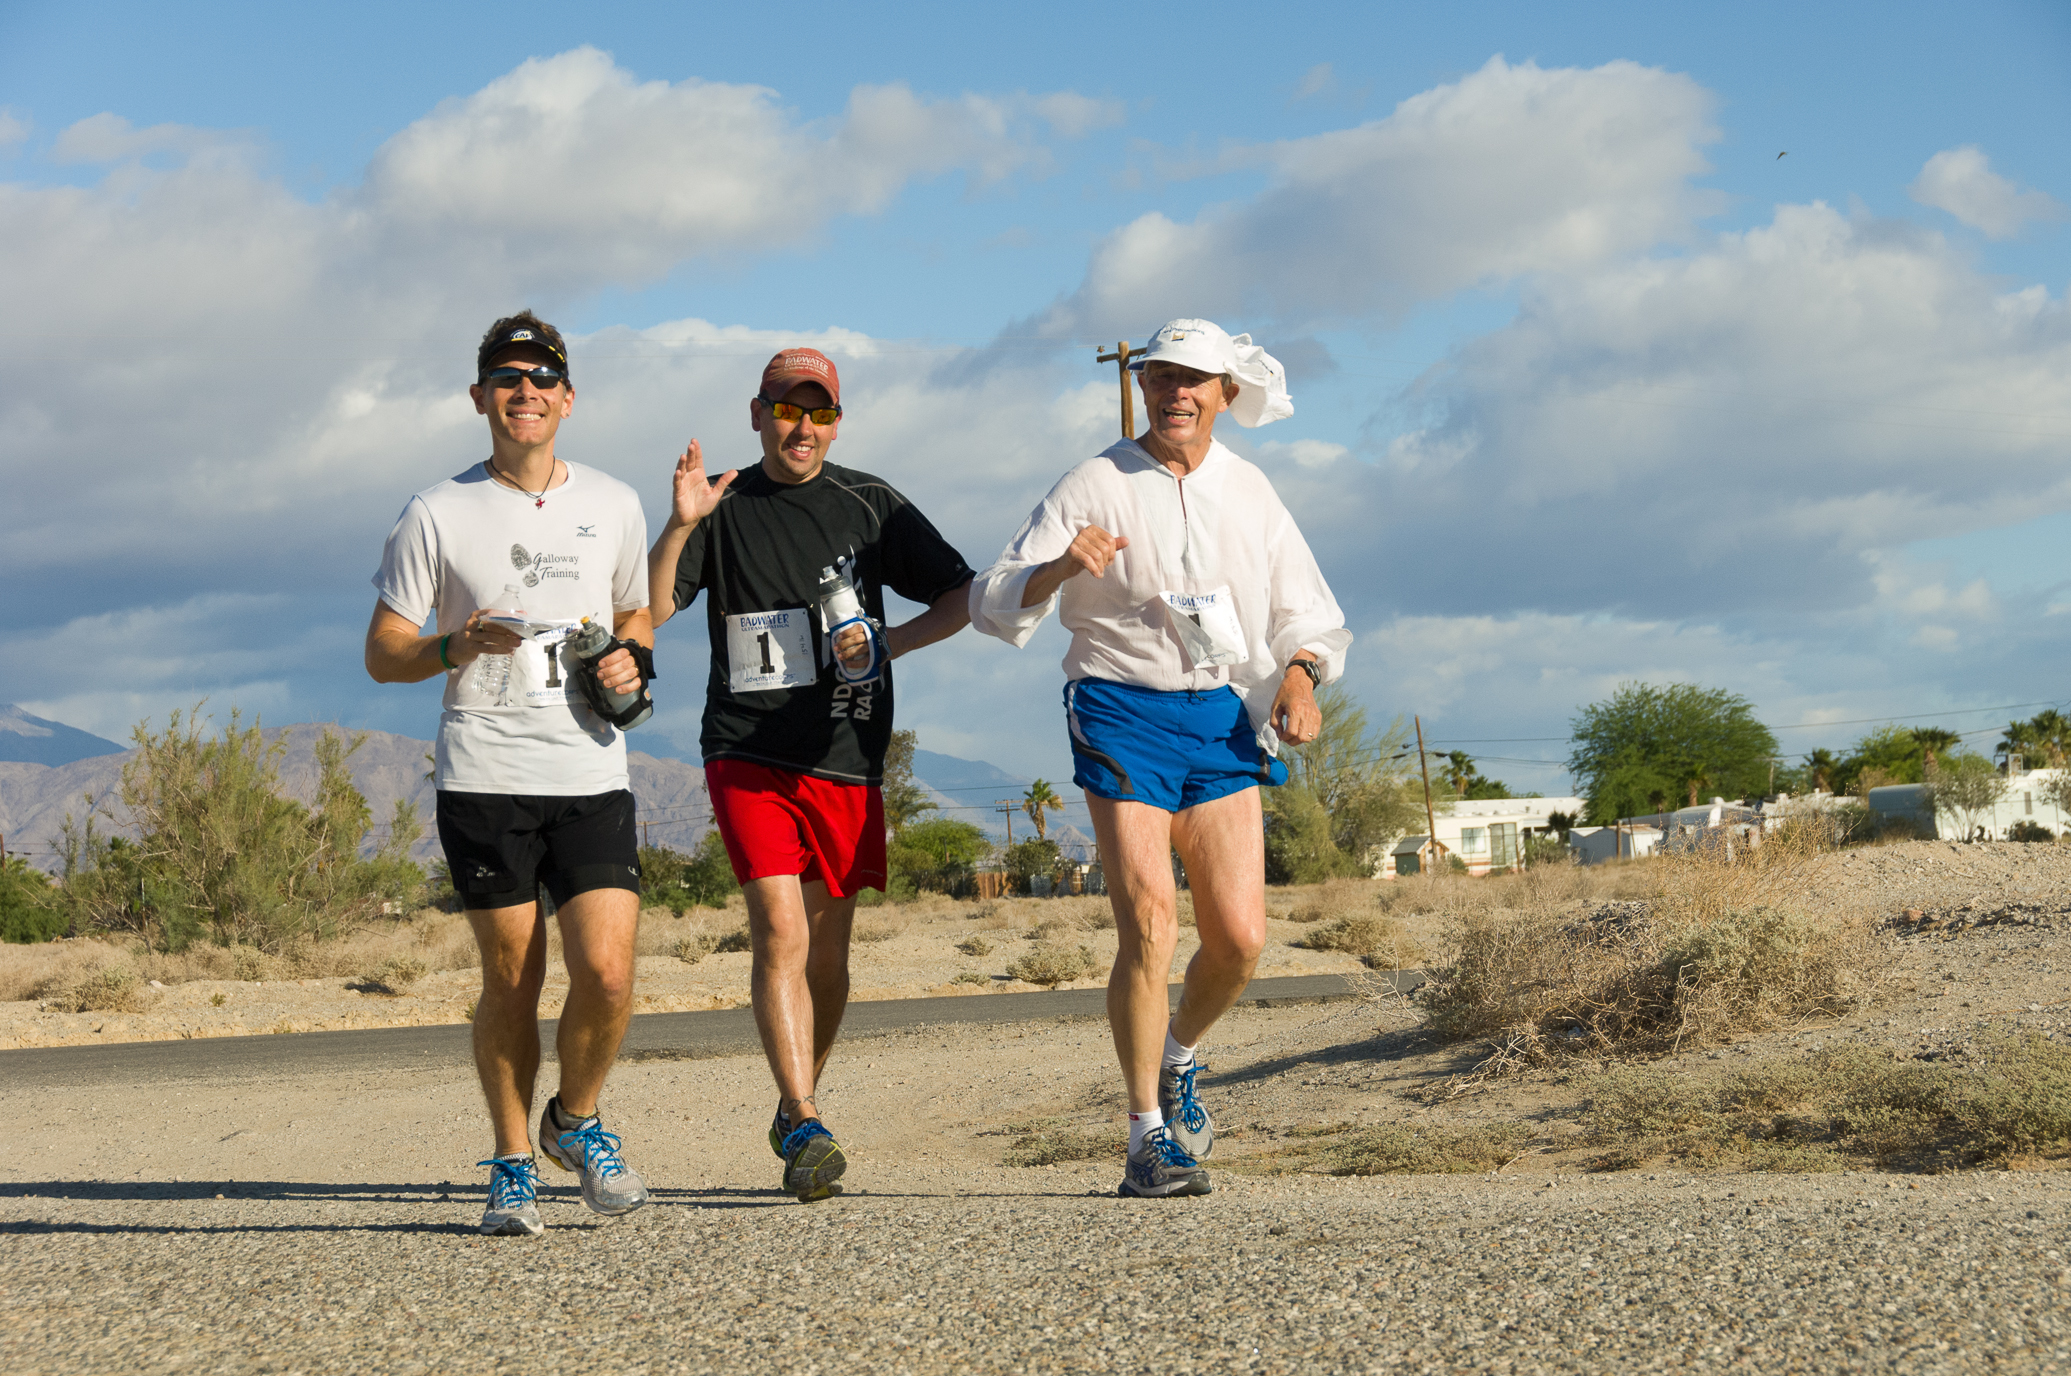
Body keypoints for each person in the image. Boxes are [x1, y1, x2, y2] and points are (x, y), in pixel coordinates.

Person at [968, 318, 1350, 1198]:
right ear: (1141, 387)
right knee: (1148, 923)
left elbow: (1307, 613)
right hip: (1116, 703)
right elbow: (997, 600)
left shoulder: (1250, 490)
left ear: (1225, 393)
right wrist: (1061, 566)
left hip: (1219, 712)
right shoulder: (1095, 480)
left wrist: (1298, 677)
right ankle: (1145, 1138)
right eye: (1160, 377)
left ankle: (1180, 1058)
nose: (1174, 392)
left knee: (1241, 939)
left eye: (1193, 380)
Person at [647, 347, 974, 1201]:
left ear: (836, 421)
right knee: (781, 935)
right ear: (756, 414)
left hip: (845, 753)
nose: (803, 427)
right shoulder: (719, 504)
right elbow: (645, 611)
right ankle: (801, 1108)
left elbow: (960, 596)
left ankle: (801, 1110)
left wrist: (885, 644)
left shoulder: (869, 504)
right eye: (787, 410)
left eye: (820, 412)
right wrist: (679, 524)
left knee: (828, 957)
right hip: (745, 748)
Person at [366, 312, 656, 1237]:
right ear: (479, 397)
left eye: (541, 379)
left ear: (568, 399)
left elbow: (634, 616)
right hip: (485, 772)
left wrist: (629, 664)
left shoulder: (613, 502)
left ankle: (575, 1121)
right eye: (506, 378)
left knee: (607, 975)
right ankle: (510, 1163)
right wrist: (453, 644)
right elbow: (383, 653)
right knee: (513, 979)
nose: (523, 392)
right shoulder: (436, 512)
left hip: (590, 767)